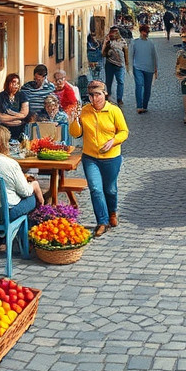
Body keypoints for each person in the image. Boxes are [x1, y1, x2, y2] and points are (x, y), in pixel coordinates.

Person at [68, 80, 129, 238]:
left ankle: (112, 212)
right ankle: (102, 221)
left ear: (105, 94)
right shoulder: (85, 111)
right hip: (90, 157)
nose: (95, 99)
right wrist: (75, 120)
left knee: (110, 189)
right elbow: (75, 134)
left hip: (111, 157)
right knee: (95, 189)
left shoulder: (114, 111)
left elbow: (124, 132)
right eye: (92, 95)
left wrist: (113, 141)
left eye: (98, 95)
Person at [0, 125, 44, 248]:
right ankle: (28, 239)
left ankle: (2, 237)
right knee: (32, 198)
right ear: (5, 144)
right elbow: (25, 191)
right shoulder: (10, 164)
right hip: (6, 212)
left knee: (3, 198)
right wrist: (35, 185)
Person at [130, 24, 158, 114]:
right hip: (137, 67)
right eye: (144, 32)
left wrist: (156, 68)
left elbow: (154, 56)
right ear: (141, 32)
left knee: (147, 87)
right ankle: (139, 106)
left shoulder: (151, 43)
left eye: (147, 32)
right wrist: (130, 67)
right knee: (139, 85)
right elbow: (131, 55)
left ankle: (145, 106)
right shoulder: (135, 42)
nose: (145, 34)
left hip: (149, 68)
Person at [0, 72, 30, 140]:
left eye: (17, 83)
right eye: (13, 83)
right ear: (8, 83)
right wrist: (17, 117)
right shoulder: (1, 96)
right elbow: (1, 118)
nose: (16, 86)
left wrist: (10, 114)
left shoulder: (22, 95)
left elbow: (24, 115)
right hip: (5, 130)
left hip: (21, 130)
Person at [101, 25, 129, 106]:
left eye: (115, 32)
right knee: (108, 82)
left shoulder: (123, 42)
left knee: (120, 82)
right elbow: (103, 54)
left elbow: (126, 54)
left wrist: (127, 64)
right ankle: (108, 96)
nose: (113, 34)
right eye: (112, 32)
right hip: (109, 64)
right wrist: (105, 43)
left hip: (120, 65)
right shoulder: (108, 42)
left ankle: (119, 99)